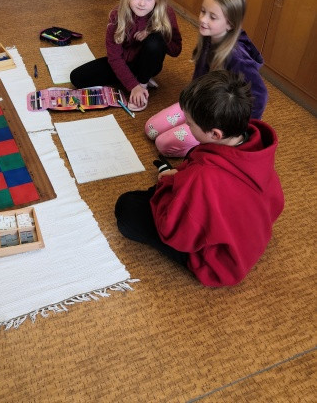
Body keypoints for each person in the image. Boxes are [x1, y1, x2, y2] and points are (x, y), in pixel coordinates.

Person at [115, 70, 284, 288]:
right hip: (247, 235)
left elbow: (175, 232)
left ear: (215, 134)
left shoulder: (203, 175)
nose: (187, 126)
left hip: (219, 264)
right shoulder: (255, 144)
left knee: (127, 208)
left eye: (190, 124)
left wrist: (167, 183)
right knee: (161, 188)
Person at [145, 0, 268, 156]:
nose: (203, 19)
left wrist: (240, 131)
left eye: (212, 17)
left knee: (163, 144)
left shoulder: (237, 58)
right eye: (203, 11)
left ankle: (211, 147)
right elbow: (199, 77)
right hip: (199, 104)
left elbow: (261, 95)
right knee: (151, 128)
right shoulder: (208, 37)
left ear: (230, 24)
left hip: (217, 119)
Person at [70, 0, 182, 112]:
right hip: (126, 62)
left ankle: (143, 84)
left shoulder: (166, 13)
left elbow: (176, 50)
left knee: (154, 42)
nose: (142, 3)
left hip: (149, 63)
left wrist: (154, 32)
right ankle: (133, 80)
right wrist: (132, 85)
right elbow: (114, 58)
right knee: (77, 77)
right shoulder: (117, 15)